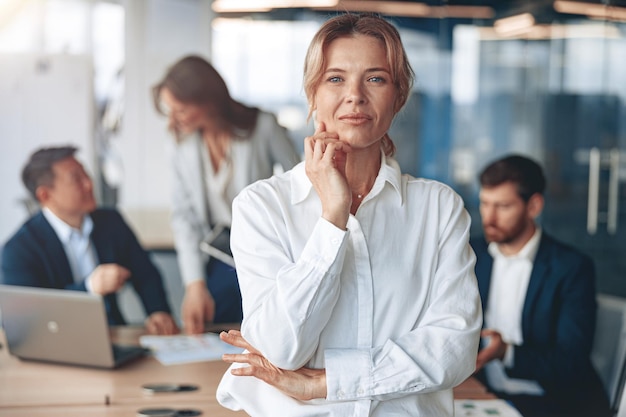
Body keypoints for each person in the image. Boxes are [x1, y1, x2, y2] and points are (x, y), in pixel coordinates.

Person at [215, 13, 482, 416]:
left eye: (375, 79)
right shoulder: (261, 206)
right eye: (335, 79)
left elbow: (454, 348)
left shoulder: (439, 209)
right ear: (312, 95)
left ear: (399, 96)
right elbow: (281, 348)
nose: (354, 95)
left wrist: (327, 382)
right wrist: (332, 218)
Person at [152, 55, 301, 334]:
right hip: (218, 257)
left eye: (180, 110)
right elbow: (184, 218)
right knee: (213, 329)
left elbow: (303, 183)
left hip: (265, 251)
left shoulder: (263, 127)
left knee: (267, 332)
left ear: (208, 102)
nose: (172, 120)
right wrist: (194, 284)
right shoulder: (179, 142)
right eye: (168, 110)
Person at [470, 154, 611, 417]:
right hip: (488, 395)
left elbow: (571, 361)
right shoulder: (471, 254)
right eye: (484, 204)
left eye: (503, 206)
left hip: (556, 404)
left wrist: (506, 353)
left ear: (533, 206)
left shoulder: (571, 268)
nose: (489, 218)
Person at [1, 146, 179, 335]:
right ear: (45, 195)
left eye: (86, 174)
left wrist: (157, 311)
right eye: (76, 179)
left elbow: (146, 274)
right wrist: (89, 288)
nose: (88, 184)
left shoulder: (111, 222)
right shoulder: (19, 249)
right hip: (58, 343)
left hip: (114, 336)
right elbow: (24, 318)